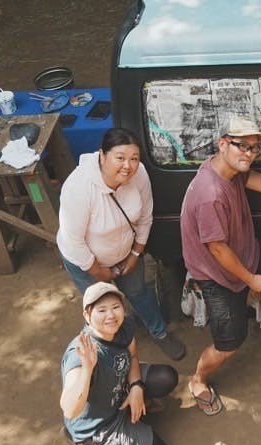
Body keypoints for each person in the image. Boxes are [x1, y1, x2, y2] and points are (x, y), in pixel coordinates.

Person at [180, 115, 261, 416]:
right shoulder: (210, 194)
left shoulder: (231, 171)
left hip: (246, 252)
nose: (249, 153)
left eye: (254, 148)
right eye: (241, 146)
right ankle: (198, 381)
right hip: (217, 274)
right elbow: (218, 249)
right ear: (223, 144)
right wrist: (250, 279)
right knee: (229, 342)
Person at [57, 128, 185, 362]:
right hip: (86, 261)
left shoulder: (140, 173)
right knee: (103, 305)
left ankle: (159, 333)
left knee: (139, 292)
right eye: (120, 158)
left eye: (134, 158)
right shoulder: (78, 187)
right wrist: (98, 271)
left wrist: (135, 254)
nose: (128, 166)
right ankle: (115, 350)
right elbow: (73, 241)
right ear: (102, 155)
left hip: (125, 253)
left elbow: (145, 216)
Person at [59, 282, 179, 445]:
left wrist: (136, 386)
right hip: (99, 426)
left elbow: (132, 356)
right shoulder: (81, 353)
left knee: (166, 377)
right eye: (102, 310)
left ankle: (130, 410)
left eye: (116, 307)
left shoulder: (124, 325)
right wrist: (88, 369)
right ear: (87, 315)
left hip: (118, 388)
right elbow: (69, 410)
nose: (111, 315)